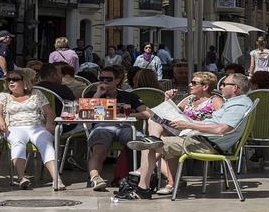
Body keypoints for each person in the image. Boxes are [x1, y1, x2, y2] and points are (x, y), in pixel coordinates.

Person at [124, 73, 253, 200]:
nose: (221, 87)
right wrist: (187, 123)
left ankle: (142, 188)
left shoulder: (238, 104)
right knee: (154, 125)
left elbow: (221, 129)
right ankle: (152, 173)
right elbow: (216, 124)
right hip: (200, 138)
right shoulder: (235, 102)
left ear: (235, 88)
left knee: (149, 146)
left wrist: (189, 125)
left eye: (224, 84)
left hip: (205, 143)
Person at [132, 72, 224, 195]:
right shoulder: (189, 99)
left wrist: (197, 124)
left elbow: (221, 121)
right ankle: (153, 141)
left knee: (161, 140)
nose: (190, 85)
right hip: (182, 131)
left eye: (194, 83)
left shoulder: (215, 100)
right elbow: (171, 113)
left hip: (199, 135)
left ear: (205, 86)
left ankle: (167, 181)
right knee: (154, 120)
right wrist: (167, 100)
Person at [0, 69, 63, 190]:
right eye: (9, 79)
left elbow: (49, 112)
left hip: (37, 126)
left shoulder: (37, 93)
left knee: (45, 143)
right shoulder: (3, 96)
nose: (11, 82)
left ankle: (56, 179)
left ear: (24, 81)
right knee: (17, 142)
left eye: (15, 79)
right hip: (14, 127)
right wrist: (0, 121)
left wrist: (49, 123)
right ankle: (22, 178)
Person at [85, 66, 151, 190]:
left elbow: (147, 114)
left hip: (124, 127)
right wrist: (98, 94)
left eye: (108, 79)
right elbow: (85, 112)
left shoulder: (128, 96)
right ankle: (95, 178)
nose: (104, 82)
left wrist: (127, 114)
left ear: (117, 80)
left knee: (145, 145)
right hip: (101, 126)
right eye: (101, 78)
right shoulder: (92, 94)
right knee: (99, 149)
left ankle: (166, 179)